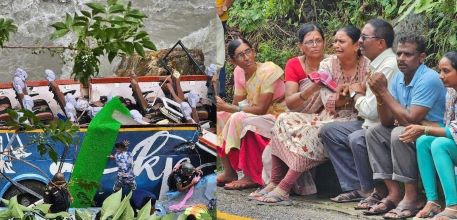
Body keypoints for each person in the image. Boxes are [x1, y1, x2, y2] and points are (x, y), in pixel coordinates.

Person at [255, 25, 370, 204]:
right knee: (284, 118)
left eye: (341, 41)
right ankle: (275, 181)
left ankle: (284, 187)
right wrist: (354, 92)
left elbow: (367, 100)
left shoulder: (368, 65)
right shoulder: (327, 64)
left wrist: (348, 94)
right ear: (301, 46)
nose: (336, 45)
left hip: (355, 118)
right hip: (327, 115)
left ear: (356, 46)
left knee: (310, 132)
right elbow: (328, 101)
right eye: (335, 41)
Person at [364, 34, 446, 218]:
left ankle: (412, 197)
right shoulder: (399, 78)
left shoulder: (428, 78)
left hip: (434, 132)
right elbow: (386, 121)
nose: (401, 58)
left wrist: (384, 92)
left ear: (421, 57)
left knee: (400, 133)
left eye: (407, 54)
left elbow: (409, 120)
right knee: (374, 132)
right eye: (399, 53)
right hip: (414, 129)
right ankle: (394, 193)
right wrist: (379, 95)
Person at [319, 19, 397, 207]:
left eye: (364, 37)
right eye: (360, 37)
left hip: (379, 123)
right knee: (329, 131)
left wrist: (354, 93)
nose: (361, 41)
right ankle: (358, 187)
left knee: (356, 137)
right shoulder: (376, 63)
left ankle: (375, 189)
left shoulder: (387, 65)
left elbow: (371, 112)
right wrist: (357, 90)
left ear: (380, 43)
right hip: (366, 121)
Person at [242, 23, 325, 194]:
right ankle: (265, 181)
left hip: (320, 116)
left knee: (290, 129)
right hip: (296, 113)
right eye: (310, 42)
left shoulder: (331, 64)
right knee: (253, 124)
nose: (315, 45)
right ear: (300, 46)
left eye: (318, 41)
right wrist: (312, 88)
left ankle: (282, 186)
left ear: (325, 42)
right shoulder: (294, 64)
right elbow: (291, 103)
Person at [216, 38, 286, 189]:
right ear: (233, 60)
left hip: (277, 115)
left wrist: (228, 107)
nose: (246, 57)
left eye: (248, 52)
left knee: (238, 117)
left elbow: (261, 108)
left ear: (253, 51)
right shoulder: (239, 72)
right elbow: (237, 103)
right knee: (220, 117)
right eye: (240, 55)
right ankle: (229, 171)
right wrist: (222, 107)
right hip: (255, 113)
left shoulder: (268, 70)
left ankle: (250, 176)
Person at [408, 51, 457, 219]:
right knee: (423, 141)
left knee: (439, 144)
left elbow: (453, 132)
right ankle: (433, 201)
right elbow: (449, 125)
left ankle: (453, 206)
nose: (441, 76)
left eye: (446, 71)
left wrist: (424, 128)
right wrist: (422, 128)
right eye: (440, 71)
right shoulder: (451, 92)